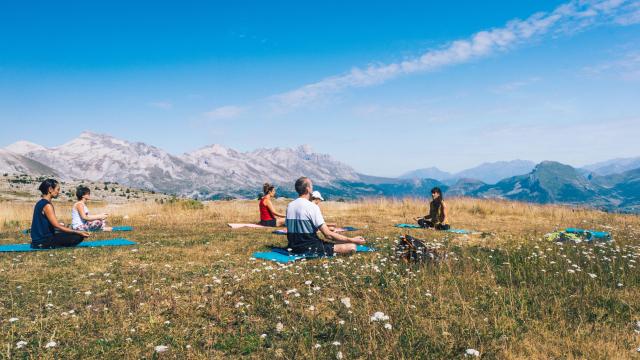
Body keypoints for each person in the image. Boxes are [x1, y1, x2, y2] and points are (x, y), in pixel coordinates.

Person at [285, 177, 365, 255]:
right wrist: (352, 240)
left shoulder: (290, 205)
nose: (312, 189)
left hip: (293, 247)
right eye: (311, 186)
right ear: (308, 189)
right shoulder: (312, 207)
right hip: (310, 248)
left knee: (336, 243)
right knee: (352, 246)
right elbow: (328, 235)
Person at [30, 179, 90, 249]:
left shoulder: (40, 203)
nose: (58, 192)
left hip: (38, 240)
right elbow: (57, 226)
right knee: (78, 236)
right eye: (57, 189)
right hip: (43, 241)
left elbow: (50, 224)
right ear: (50, 189)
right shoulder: (47, 205)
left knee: (69, 231)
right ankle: (51, 246)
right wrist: (78, 232)